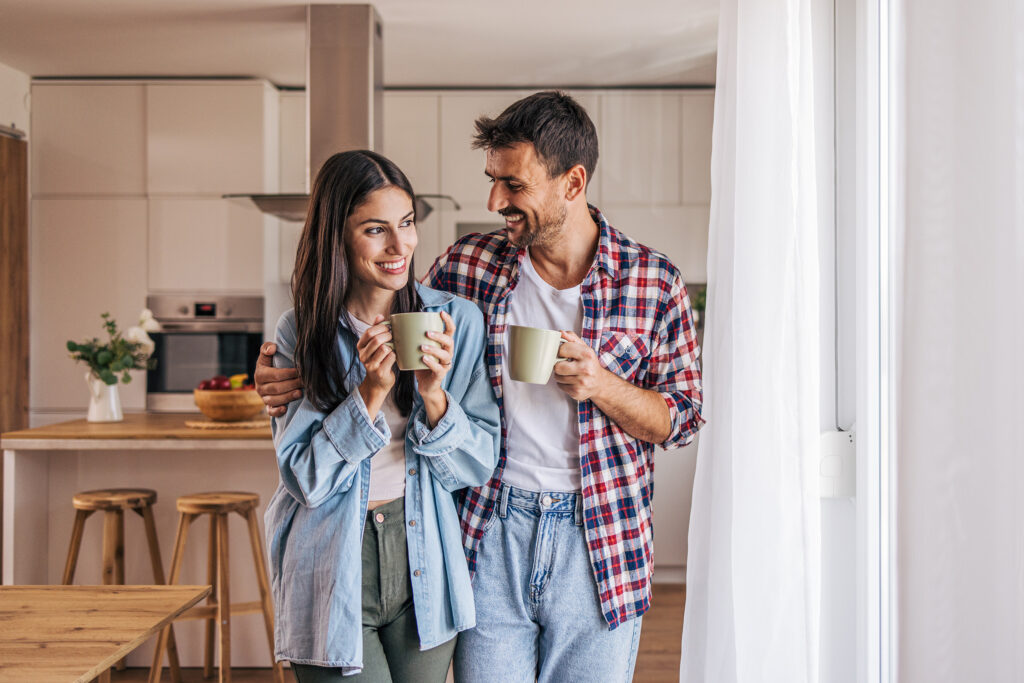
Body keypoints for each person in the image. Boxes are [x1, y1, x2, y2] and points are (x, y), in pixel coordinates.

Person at [257, 92, 704, 682]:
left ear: (573, 182)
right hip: (486, 529)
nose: (495, 201)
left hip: (599, 537)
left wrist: (601, 385)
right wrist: (275, 369)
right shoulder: (468, 268)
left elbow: (683, 418)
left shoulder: (653, 282)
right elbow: (377, 301)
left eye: (513, 185)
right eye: (493, 180)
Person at [264, 149, 500, 682]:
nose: (400, 247)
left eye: (408, 223)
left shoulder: (453, 322)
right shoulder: (300, 332)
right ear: (338, 236)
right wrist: (369, 393)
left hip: (424, 554)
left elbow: (476, 467)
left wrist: (435, 395)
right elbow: (305, 478)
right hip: (330, 560)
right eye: (376, 230)